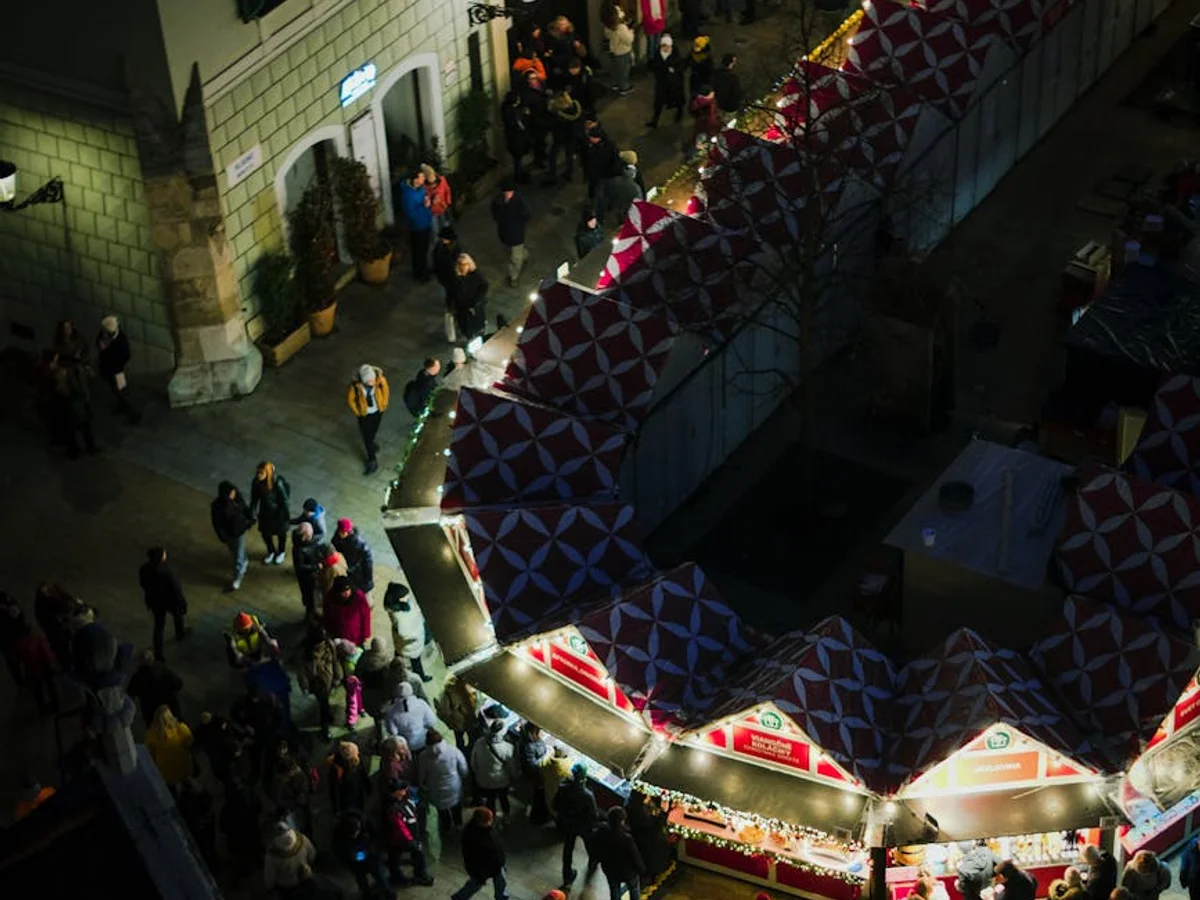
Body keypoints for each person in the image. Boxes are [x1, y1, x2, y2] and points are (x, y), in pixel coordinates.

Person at [139, 546, 189, 661]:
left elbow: (143, 584)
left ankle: (159, 653)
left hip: (155, 602)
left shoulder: (144, 569)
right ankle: (180, 633)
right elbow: (176, 588)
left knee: (159, 626)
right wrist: (182, 602)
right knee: (178, 616)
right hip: (170, 601)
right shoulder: (166, 570)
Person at [554, 762, 599, 888]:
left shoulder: (563, 787)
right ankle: (593, 861)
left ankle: (567, 876)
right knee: (589, 845)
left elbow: (555, 805)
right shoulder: (587, 795)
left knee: (567, 849)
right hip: (583, 827)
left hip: (567, 824)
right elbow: (593, 815)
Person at [383, 779, 434, 886]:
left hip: (410, 835)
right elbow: (400, 827)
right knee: (397, 857)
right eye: (403, 789)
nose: (406, 790)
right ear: (396, 791)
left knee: (398, 856)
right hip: (399, 839)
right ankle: (402, 877)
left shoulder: (404, 798)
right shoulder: (393, 808)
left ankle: (414, 874)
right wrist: (410, 840)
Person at [298, 621, 344, 739]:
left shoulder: (329, 645)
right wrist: (304, 685)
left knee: (325, 701)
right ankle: (325, 726)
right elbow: (302, 671)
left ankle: (327, 716)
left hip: (329, 680)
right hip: (316, 683)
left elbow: (335, 661)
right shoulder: (305, 653)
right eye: (319, 643)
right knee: (323, 703)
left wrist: (338, 676)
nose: (321, 645)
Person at [451, 807, 508, 900]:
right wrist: (477, 873)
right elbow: (470, 857)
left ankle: (502, 898)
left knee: (501, 883)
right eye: (489, 821)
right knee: (473, 886)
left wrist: (502, 861)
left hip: (497, 864)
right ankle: (459, 898)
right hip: (481, 869)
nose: (491, 822)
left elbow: (498, 845)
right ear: (480, 822)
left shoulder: (488, 828)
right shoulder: (470, 836)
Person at [232, 681, 282, 786]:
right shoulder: (243, 702)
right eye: (253, 698)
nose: (254, 700)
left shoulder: (269, 699)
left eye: (256, 698)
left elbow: (278, 714)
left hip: (268, 733)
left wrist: (275, 729)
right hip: (254, 735)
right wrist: (245, 725)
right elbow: (234, 713)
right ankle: (255, 775)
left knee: (270, 757)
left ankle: (268, 779)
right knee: (255, 757)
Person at [334, 809, 392, 898]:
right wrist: (347, 858)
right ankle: (367, 895)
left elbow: (377, 839)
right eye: (351, 835)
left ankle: (388, 894)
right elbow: (337, 848)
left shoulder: (368, 823)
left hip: (370, 855)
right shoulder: (339, 831)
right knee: (361, 878)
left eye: (355, 833)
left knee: (379, 875)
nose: (354, 836)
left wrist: (369, 851)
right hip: (354, 860)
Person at [420, 728, 469, 831]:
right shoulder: (453, 751)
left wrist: (423, 786)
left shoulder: (423, 756)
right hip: (453, 787)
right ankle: (458, 824)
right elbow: (463, 768)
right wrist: (464, 777)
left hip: (436, 789)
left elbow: (421, 775)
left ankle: (446, 828)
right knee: (456, 807)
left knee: (442, 811)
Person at [594, 805, 645, 900]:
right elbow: (635, 857)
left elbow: (596, 849)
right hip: (628, 872)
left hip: (610, 869)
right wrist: (642, 870)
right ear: (622, 821)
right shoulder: (627, 838)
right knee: (634, 890)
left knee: (614, 889)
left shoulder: (601, 832)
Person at [346, 363, 389, 476]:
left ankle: (372, 445)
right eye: (370, 381)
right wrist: (358, 412)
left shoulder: (380, 381)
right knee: (367, 437)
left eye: (373, 379)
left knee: (373, 431)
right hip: (364, 414)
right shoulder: (356, 387)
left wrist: (383, 404)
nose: (373, 382)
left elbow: (386, 392)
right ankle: (372, 460)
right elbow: (351, 400)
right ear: (364, 381)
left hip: (377, 412)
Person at [95, 315, 139, 423]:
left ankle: (131, 413)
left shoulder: (120, 340)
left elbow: (125, 356)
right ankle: (121, 405)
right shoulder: (104, 334)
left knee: (122, 390)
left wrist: (107, 350)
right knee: (114, 389)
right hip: (107, 368)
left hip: (117, 370)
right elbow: (98, 340)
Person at [211, 480, 253, 591]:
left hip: (238, 532)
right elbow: (216, 522)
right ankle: (243, 562)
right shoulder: (218, 506)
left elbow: (245, 509)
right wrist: (221, 535)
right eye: (231, 493)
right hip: (229, 534)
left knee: (237, 555)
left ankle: (237, 578)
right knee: (236, 551)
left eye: (233, 492)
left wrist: (250, 520)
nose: (233, 494)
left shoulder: (237, 499)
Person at [10, 619, 59, 714]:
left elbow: (15, 659)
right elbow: (47, 654)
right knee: (50, 687)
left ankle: (42, 708)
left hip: (30, 670)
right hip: (44, 668)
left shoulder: (19, 644)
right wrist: (53, 663)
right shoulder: (38, 640)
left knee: (38, 691)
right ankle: (55, 705)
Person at [471, 719, 517, 816]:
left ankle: (491, 818)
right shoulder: (508, 747)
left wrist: (478, 774)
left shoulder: (479, 742)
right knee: (503, 799)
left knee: (490, 800)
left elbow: (473, 761)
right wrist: (514, 776)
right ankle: (506, 817)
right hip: (501, 781)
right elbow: (512, 767)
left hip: (484, 780)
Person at [491, 180, 532, 288]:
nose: (508, 194)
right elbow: (494, 211)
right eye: (506, 192)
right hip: (505, 232)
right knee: (513, 253)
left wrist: (518, 224)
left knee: (515, 258)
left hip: (516, 233)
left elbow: (526, 215)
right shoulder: (498, 200)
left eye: (510, 192)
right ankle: (525, 255)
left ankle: (514, 277)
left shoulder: (519, 201)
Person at [126, 648, 183, 725]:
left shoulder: (137, 678)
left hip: (152, 718)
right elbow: (179, 684)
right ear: (152, 658)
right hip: (172, 712)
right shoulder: (164, 670)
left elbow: (130, 692)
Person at [250, 461, 291, 565]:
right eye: (257, 473)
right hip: (265, 514)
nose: (258, 475)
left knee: (281, 535)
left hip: (278, 515)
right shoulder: (256, 483)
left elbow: (284, 501)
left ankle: (281, 552)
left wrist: (287, 517)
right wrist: (252, 513)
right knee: (266, 534)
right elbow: (254, 499)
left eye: (261, 473)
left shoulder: (277, 482)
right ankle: (271, 551)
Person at [263, 820, 318, 898]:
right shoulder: (301, 838)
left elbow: (270, 875)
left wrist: (269, 888)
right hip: (305, 879)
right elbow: (312, 854)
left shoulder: (272, 854)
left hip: (286, 888)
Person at [145, 704, 194, 788]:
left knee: (179, 788)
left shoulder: (151, 734)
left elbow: (150, 753)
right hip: (181, 766)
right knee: (190, 783)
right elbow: (189, 742)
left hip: (168, 771)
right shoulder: (179, 727)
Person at [270, 741, 314, 836]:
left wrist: (302, 795)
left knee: (305, 826)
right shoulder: (281, 781)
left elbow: (303, 788)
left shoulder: (299, 776)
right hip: (290, 809)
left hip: (298, 808)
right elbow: (278, 798)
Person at [380, 681, 438, 752]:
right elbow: (432, 721)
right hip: (424, 740)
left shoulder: (391, 711)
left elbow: (393, 732)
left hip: (406, 745)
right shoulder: (421, 704)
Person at [627, 790, 670, 879]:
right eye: (646, 796)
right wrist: (663, 812)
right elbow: (654, 825)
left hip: (643, 840)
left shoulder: (632, 805)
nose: (649, 797)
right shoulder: (640, 813)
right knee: (653, 859)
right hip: (650, 842)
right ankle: (652, 874)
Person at [400, 169, 434, 282]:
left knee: (423, 250)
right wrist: (425, 206)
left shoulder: (420, 188)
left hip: (425, 222)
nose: (424, 179)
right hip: (418, 227)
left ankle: (423, 269)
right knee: (419, 251)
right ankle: (419, 274)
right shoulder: (408, 195)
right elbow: (410, 214)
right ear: (415, 179)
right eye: (421, 177)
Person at [546, 89, 584, 186]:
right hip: (572, 136)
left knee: (552, 156)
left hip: (559, 137)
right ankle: (569, 173)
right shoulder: (576, 106)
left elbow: (552, 123)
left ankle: (552, 176)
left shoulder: (558, 113)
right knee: (569, 155)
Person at [448, 253, 490, 341]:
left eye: (465, 264)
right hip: (463, 309)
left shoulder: (475, 275)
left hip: (475, 306)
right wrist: (451, 306)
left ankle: (479, 335)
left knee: (478, 324)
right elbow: (451, 293)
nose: (463, 267)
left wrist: (478, 300)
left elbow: (484, 286)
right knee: (466, 327)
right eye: (461, 264)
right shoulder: (455, 278)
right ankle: (469, 337)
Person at [177, 777, 217, 866]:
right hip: (203, 824)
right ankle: (213, 861)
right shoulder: (197, 797)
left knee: (202, 847)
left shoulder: (182, 801)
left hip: (195, 827)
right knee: (209, 845)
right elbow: (207, 801)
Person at [647, 34, 685, 127]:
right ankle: (655, 120)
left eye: (667, 46)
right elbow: (653, 66)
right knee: (659, 102)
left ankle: (679, 113)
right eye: (663, 46)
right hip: (662, 83)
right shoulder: (657, 54)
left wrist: (674, 70)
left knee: (677, 99)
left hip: (674, 83)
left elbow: (681, 66)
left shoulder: (675, 54)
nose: (665, 48)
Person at [324, 575, 372, 648]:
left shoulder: (359, 597)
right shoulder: (330, 597)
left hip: (355, 636)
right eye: (343, 591)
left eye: (348, 589)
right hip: (338, 635)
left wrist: (365, 634)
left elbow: (365, 616)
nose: (346, 593)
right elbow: (327, 614)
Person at [328, 740, 372, 816]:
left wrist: (368, 787)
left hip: (358, 790)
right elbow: (334, 790)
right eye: (356, 753)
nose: (358, 753)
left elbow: (363, 773)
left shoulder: (356, 759)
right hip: (346, 798)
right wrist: (336, 809)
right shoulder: (337, 769)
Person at [333, 518, 375, 594]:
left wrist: (369, 578)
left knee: (362, 591)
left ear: (348, 532)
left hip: (358, 572)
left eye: (342, 532)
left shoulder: (358, 543)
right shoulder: (338, 536)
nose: (340, 534)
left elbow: (368, 560)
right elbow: (335, 544)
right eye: (340, 532)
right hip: (348, 569)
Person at [501, 88, 532, 184]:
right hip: (517, 138)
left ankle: (518, 175)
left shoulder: (506, 109)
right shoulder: (513, 112)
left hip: (512, 137)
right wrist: (526, 116)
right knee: (518, 158)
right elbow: (520, 125)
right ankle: (518, 177)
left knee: (517, 158)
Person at [604, 151, 644, 226]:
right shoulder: (636, 173)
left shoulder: (617, 171)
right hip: (630, 199)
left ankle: (623, 223)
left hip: (620, 199)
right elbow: (641, 187)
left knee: (621, 212)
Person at [604, 1, 636, 95]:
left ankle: (615, 84)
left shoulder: (608, 25)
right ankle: (624, 88)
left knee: (615, 69)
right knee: (624, 71)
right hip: (623, 51)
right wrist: (630, 31)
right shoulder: (621, 27)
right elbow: (629, 40)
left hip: (614, 51)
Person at [291, 522, 322, 615]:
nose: (311, 536)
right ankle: (309, 614)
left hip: (314, 572)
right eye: (309, 535)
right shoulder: (298, 549)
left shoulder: (311, 539)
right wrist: (316, 566)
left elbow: (321, 532)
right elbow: (300, 567)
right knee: (309, 597)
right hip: (306, 577)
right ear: (303, 536)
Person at [421, 162, 453, 234]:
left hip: (443, 208)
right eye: (431, 183)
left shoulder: (442, 180)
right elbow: (424, 200)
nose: (433, 185)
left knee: (446, 229)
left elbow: (447, 190)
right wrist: (432, 200)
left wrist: (448, 202)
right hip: (432, 213)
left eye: (434, 182)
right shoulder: (424, 187)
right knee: (435, 232)